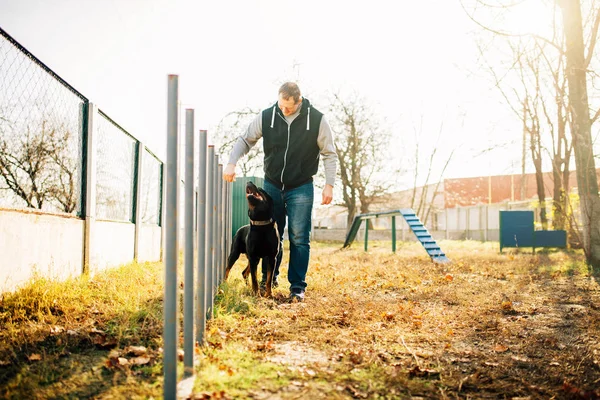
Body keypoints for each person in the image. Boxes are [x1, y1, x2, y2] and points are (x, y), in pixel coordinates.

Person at [223, 82, 337, 302]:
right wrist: (232, 162)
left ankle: (297, 287)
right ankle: (270, 279)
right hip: (273, 185)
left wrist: (329, 184)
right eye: (281, 105)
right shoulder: (267, 116)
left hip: (301, 186)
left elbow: (329, 153)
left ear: (299, 102)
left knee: (299, 237)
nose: (284, 110)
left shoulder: (317, 120)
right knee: (270, 234)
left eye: (289, 107)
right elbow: (246, 139)